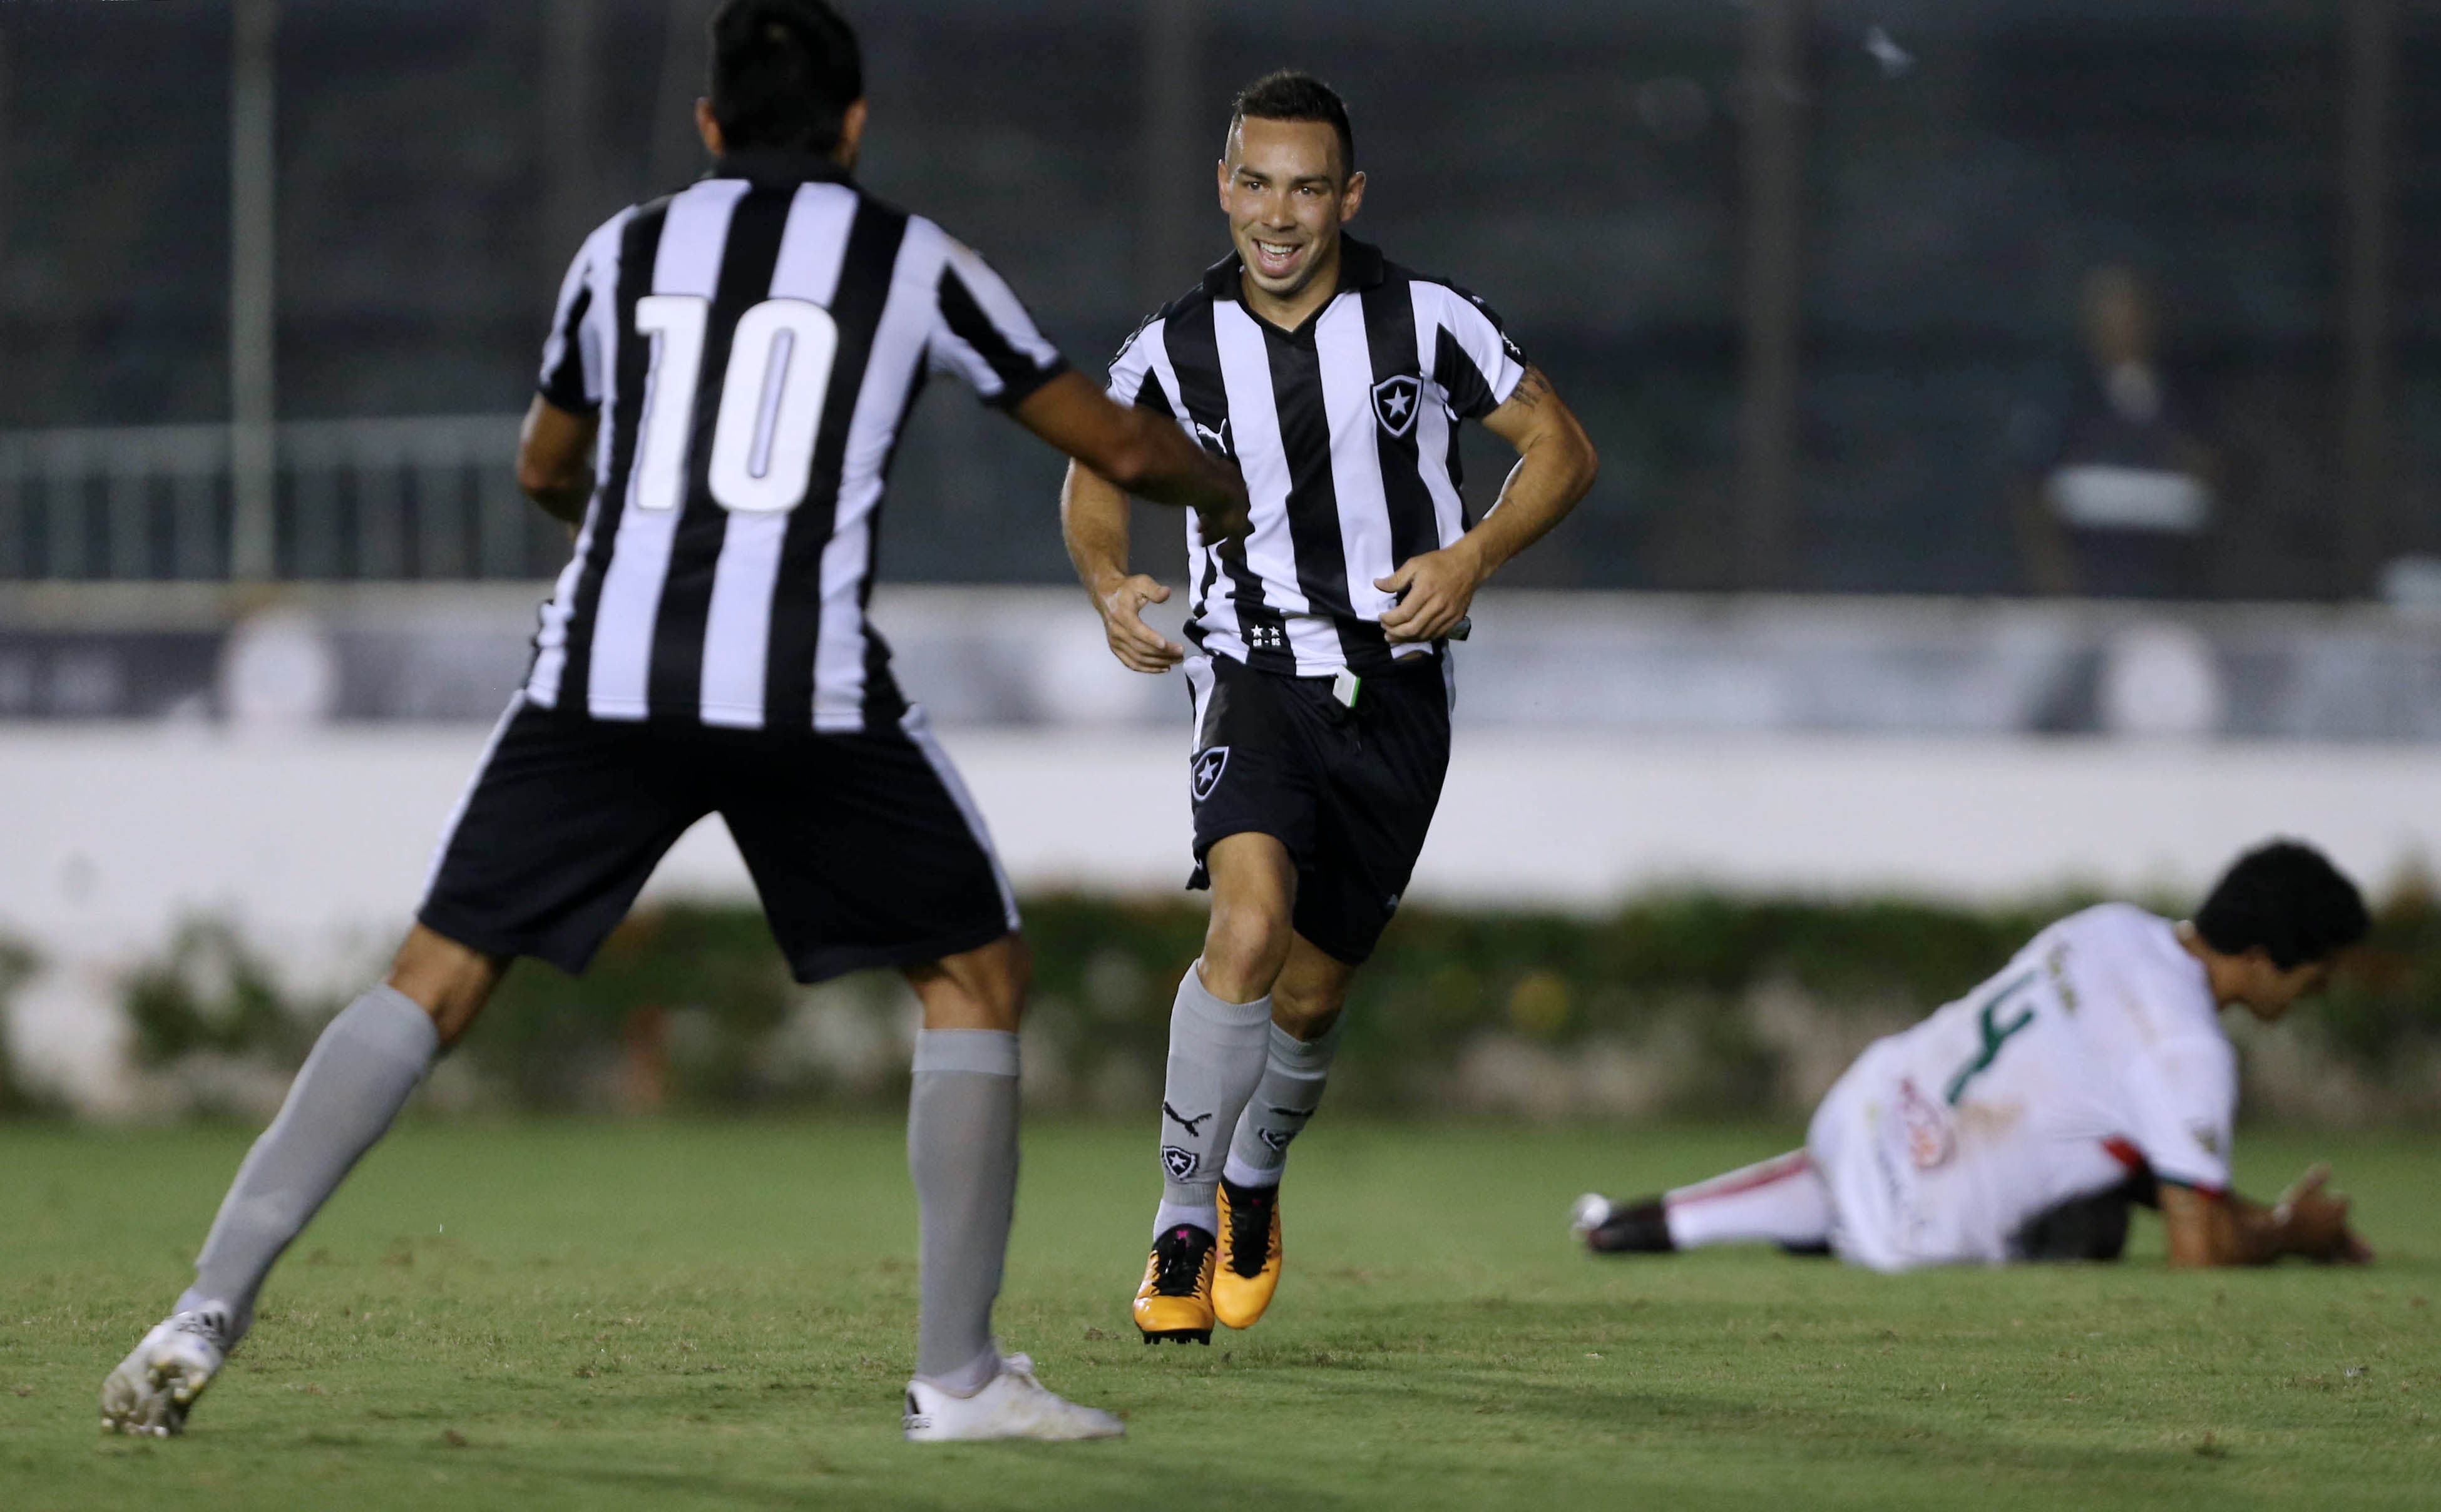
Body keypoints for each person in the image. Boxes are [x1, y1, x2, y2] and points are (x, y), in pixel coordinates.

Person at [101, 0, 1247, 1444]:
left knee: (432, 978)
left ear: (708, 125)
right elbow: (1119, 443)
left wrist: (640, 532)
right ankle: (958, 1379)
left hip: (598, 679)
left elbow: (541, 467)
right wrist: (1225, 495)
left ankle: (206, 1304)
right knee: (972, 975)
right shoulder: (907, 257)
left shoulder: (622, 250)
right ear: (855, 123)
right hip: (800, 691)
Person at [1060, 71, 1599, 1343]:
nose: (1281, 214)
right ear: (1225, 188)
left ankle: (1254, 1176)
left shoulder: (1427, 318)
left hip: (1400, 694)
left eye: (1309, 187)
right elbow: (1095, 470)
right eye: (1258, 183)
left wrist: (1469, 556)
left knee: (1307, 996)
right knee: (1246, 930)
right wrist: (1109, 580)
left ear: (1348, 196)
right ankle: (1180, 1226)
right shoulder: (1176, 344)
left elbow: (1562, 447)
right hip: (1249, 670)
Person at [1574, 840, 2375, 1271]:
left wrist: (2249, 1210)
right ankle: (1820, 1231)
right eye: (2317, 973)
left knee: (1857, 1177)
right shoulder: (2188, 1049)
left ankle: (1632, 1223)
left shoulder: (2111, 926)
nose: (2318, 991)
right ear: (2269, 958)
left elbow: (2127, 1130)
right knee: (2089, 1224)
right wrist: (2289, 1235)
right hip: (1922, 1228)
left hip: (1867, 1108)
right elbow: (2197, 1255)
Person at [2009, 265, 2219, 598]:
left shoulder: (2186, 396)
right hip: (2087, 581)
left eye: (2134, 314)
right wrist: (2054, 574)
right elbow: (2030, 491)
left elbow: (2209, 475)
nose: (2125, 327)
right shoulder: (2062, 398)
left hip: (2171, 586)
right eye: (2112, 315)